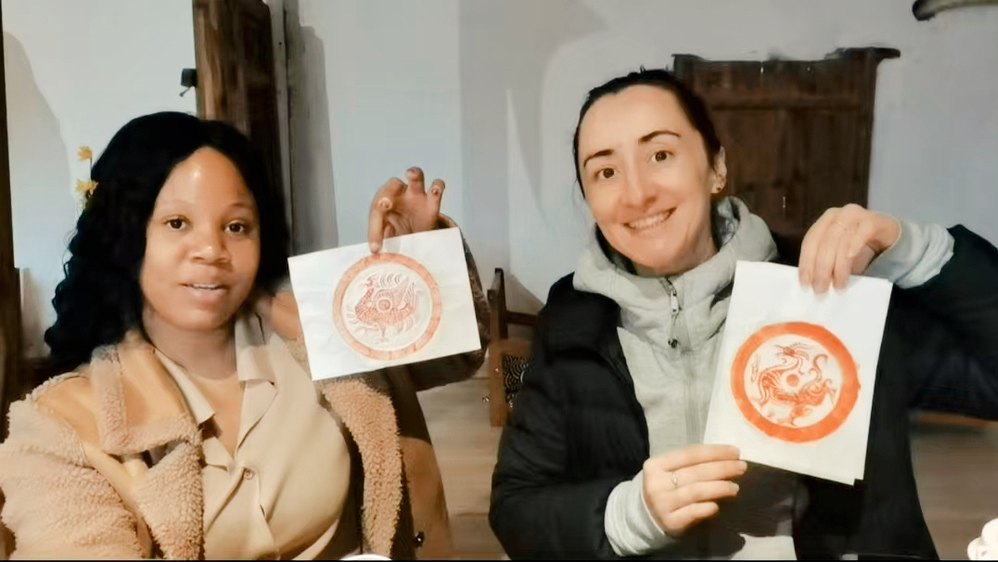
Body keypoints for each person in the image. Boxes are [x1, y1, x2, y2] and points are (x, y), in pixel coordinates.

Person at [487, 68, 998, 559]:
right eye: (605, 172)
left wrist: (911, 249)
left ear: (716, 167)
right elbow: (517, 506)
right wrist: (629, 516)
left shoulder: (824, 289)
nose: (637, 193)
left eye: (660, 154)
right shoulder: (573, 319)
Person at [0, 112, 488, 559]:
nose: (212, 250)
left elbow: (455, 357)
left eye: (236, 226)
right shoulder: (60, 426)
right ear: (128, 238)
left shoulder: (320, 322)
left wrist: (419, 260)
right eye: (177, 223)